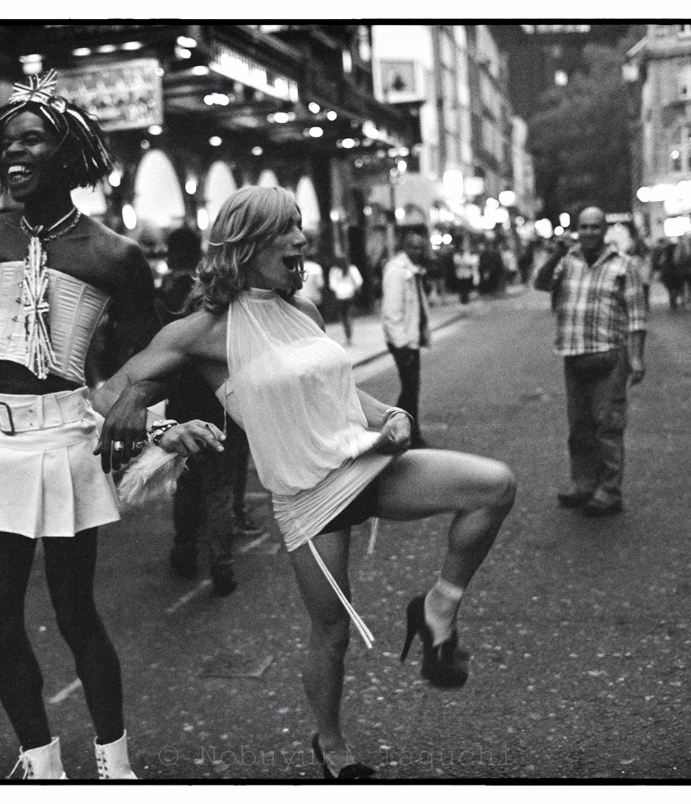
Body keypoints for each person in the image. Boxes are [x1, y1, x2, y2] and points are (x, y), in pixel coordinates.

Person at [92, 186, 516, 780]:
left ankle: (437, 610)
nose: (301, 239)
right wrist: (167, 431)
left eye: (299, 225)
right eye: (287, 229)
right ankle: (331, 743)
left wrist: (386, 415)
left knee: (494, 486)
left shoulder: (305, 310)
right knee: (331, 632)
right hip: (308, 497)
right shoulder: (205, 331)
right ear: (247, 245)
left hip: (365, 464)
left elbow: (338, 391)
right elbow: (111, 398)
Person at [0, 70, 201, 780]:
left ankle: (116, 765)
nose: (14, 153)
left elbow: (154, 356)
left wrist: (140, 422)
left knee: (76, 613)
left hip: (63, 436)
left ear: (70, 157)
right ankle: (40, 763)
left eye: (32, 140)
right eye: (6, 143)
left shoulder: (115, 255)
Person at [161, 225, 262, 596]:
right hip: (219, 400)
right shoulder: (213, 292)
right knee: (219, 489)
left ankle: (184, 551)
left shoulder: (165, 295)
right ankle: (222, 567)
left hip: (182, 401)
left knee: (186, 483)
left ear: (172, 254)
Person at [534, 206, 647, 517]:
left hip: (610, 356)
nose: (588, 233)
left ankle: (610, 491)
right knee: (579, 427)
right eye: (583, 227)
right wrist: (556, 254)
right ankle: (584, 484)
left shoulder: (624, 266)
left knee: (608, 426)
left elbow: (637, 316)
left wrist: (636, 357)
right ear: (577, 230)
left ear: (604, 230)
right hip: (574, 354)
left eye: (594, 227)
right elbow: (541, 284)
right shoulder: (566, 263)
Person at [381, 231, 432, 449]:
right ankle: (396, 432)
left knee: (412, 390)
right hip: (403, 343)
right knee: (410, 390)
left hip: (411, 340)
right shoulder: (396, 271)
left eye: (421, 247)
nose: (418, 252)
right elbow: (391, 313)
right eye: (414, 247)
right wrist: (402, 347)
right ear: (405, 247)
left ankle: (410, 433)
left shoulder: (412, 270)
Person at [328, 256, 363, 345]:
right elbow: (359, 281)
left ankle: (346, 333)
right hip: (350, 294)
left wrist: (338, 290)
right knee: (349, 315)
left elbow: (332, 285)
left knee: (343, 317)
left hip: (340, 296)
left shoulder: (334, 271)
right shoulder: (352, 269)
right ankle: (349, 335)